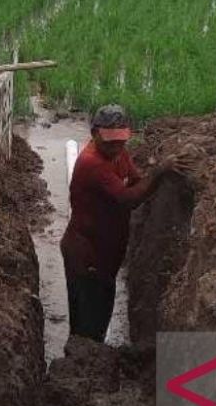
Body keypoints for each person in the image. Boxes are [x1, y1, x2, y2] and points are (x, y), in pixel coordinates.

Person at [59, 105, 184, 343]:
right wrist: (159, 172)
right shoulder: (92, 163)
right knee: (86, 325)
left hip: (104, 255)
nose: (116, 146)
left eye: (120, 141)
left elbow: (136, 180)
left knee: (101, 313)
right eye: (110, 141)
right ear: (95, 133)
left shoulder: (118, 153)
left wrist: (153, 177)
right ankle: (80, 367)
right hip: (86, 257)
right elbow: (129, 199)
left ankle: (93, 358)